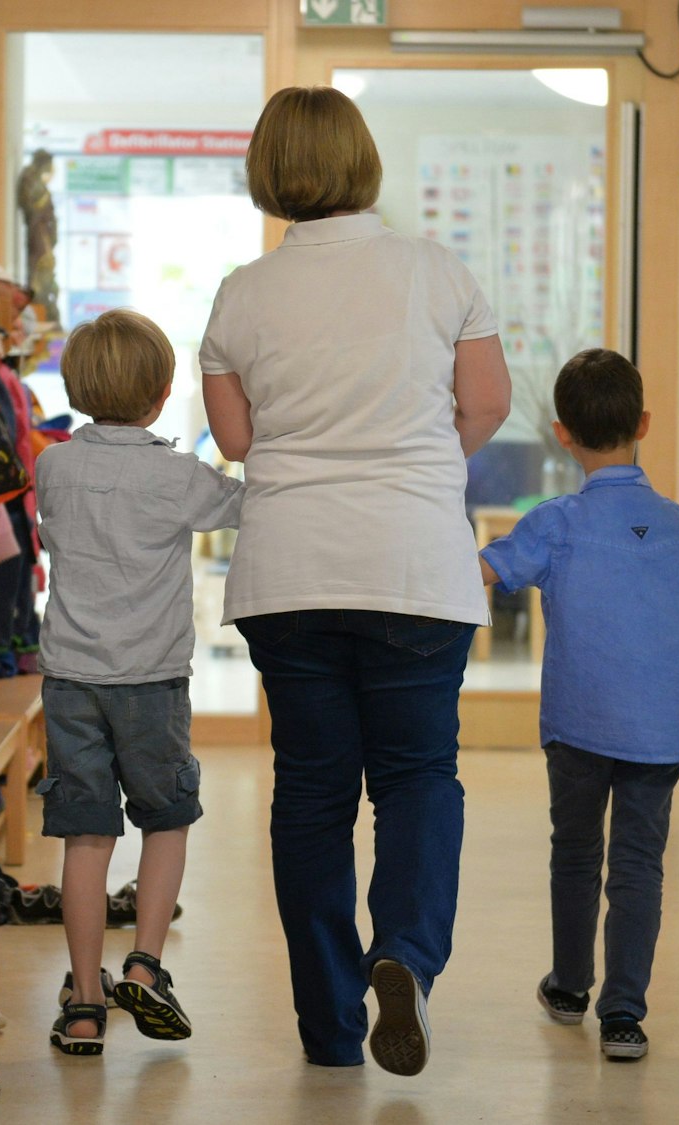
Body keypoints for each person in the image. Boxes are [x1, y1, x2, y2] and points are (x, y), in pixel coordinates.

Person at [200, 85, 512, 1076]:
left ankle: (331, 1026)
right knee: (417, 778)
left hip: (288, 573)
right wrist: (414, 463)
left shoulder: (241, 293)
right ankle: (405, 959)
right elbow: (485, 405)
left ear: (268, 170)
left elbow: (239, 440)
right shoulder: (436, 273)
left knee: (311, 793)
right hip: (412, 565)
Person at [478, 348, 679, 1063]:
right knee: (640, 861)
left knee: (576, 850)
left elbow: (482, 574)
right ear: (642, 422)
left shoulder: (556, 522)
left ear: (561, 433)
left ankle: (571, 985)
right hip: (657, 726)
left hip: (578, 725)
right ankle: (624, 1015)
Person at [33, 307, 244, 1057]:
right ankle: (146, 966)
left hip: (70, 681)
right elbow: (245, 506)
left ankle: (84, 1003)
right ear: (162, 393)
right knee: (165, 817)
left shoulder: (52, 466)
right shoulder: (177, 474)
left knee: (85, 837)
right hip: (152, 682)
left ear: (77, 385)